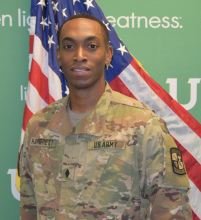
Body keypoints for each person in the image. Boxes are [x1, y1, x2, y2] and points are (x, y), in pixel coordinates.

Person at [20, 13, 192, 220]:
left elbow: (173, 213)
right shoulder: (39, 125)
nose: (80, 55)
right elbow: (29, 208)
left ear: (108, 54)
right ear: (58, 55)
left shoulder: (144, 126)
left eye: (91, 46)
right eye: (69, 47)